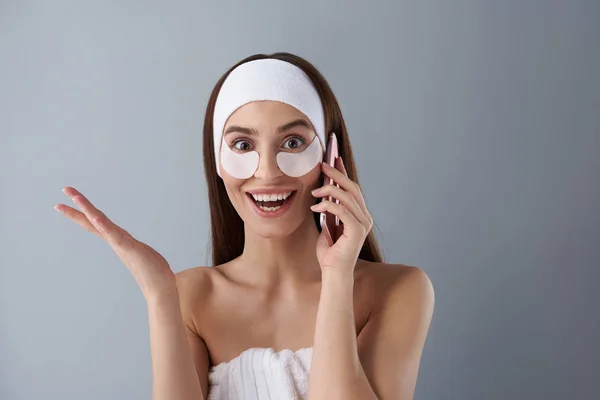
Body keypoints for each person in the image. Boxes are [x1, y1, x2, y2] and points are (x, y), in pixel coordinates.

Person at [54, 52, 435, 400]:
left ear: (330, 156)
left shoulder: (400, 291)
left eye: (292, 142)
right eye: (241, 146)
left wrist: (337, 277)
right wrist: (160, 296)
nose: (266, 172)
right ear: (217, 162)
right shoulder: (191, 298)